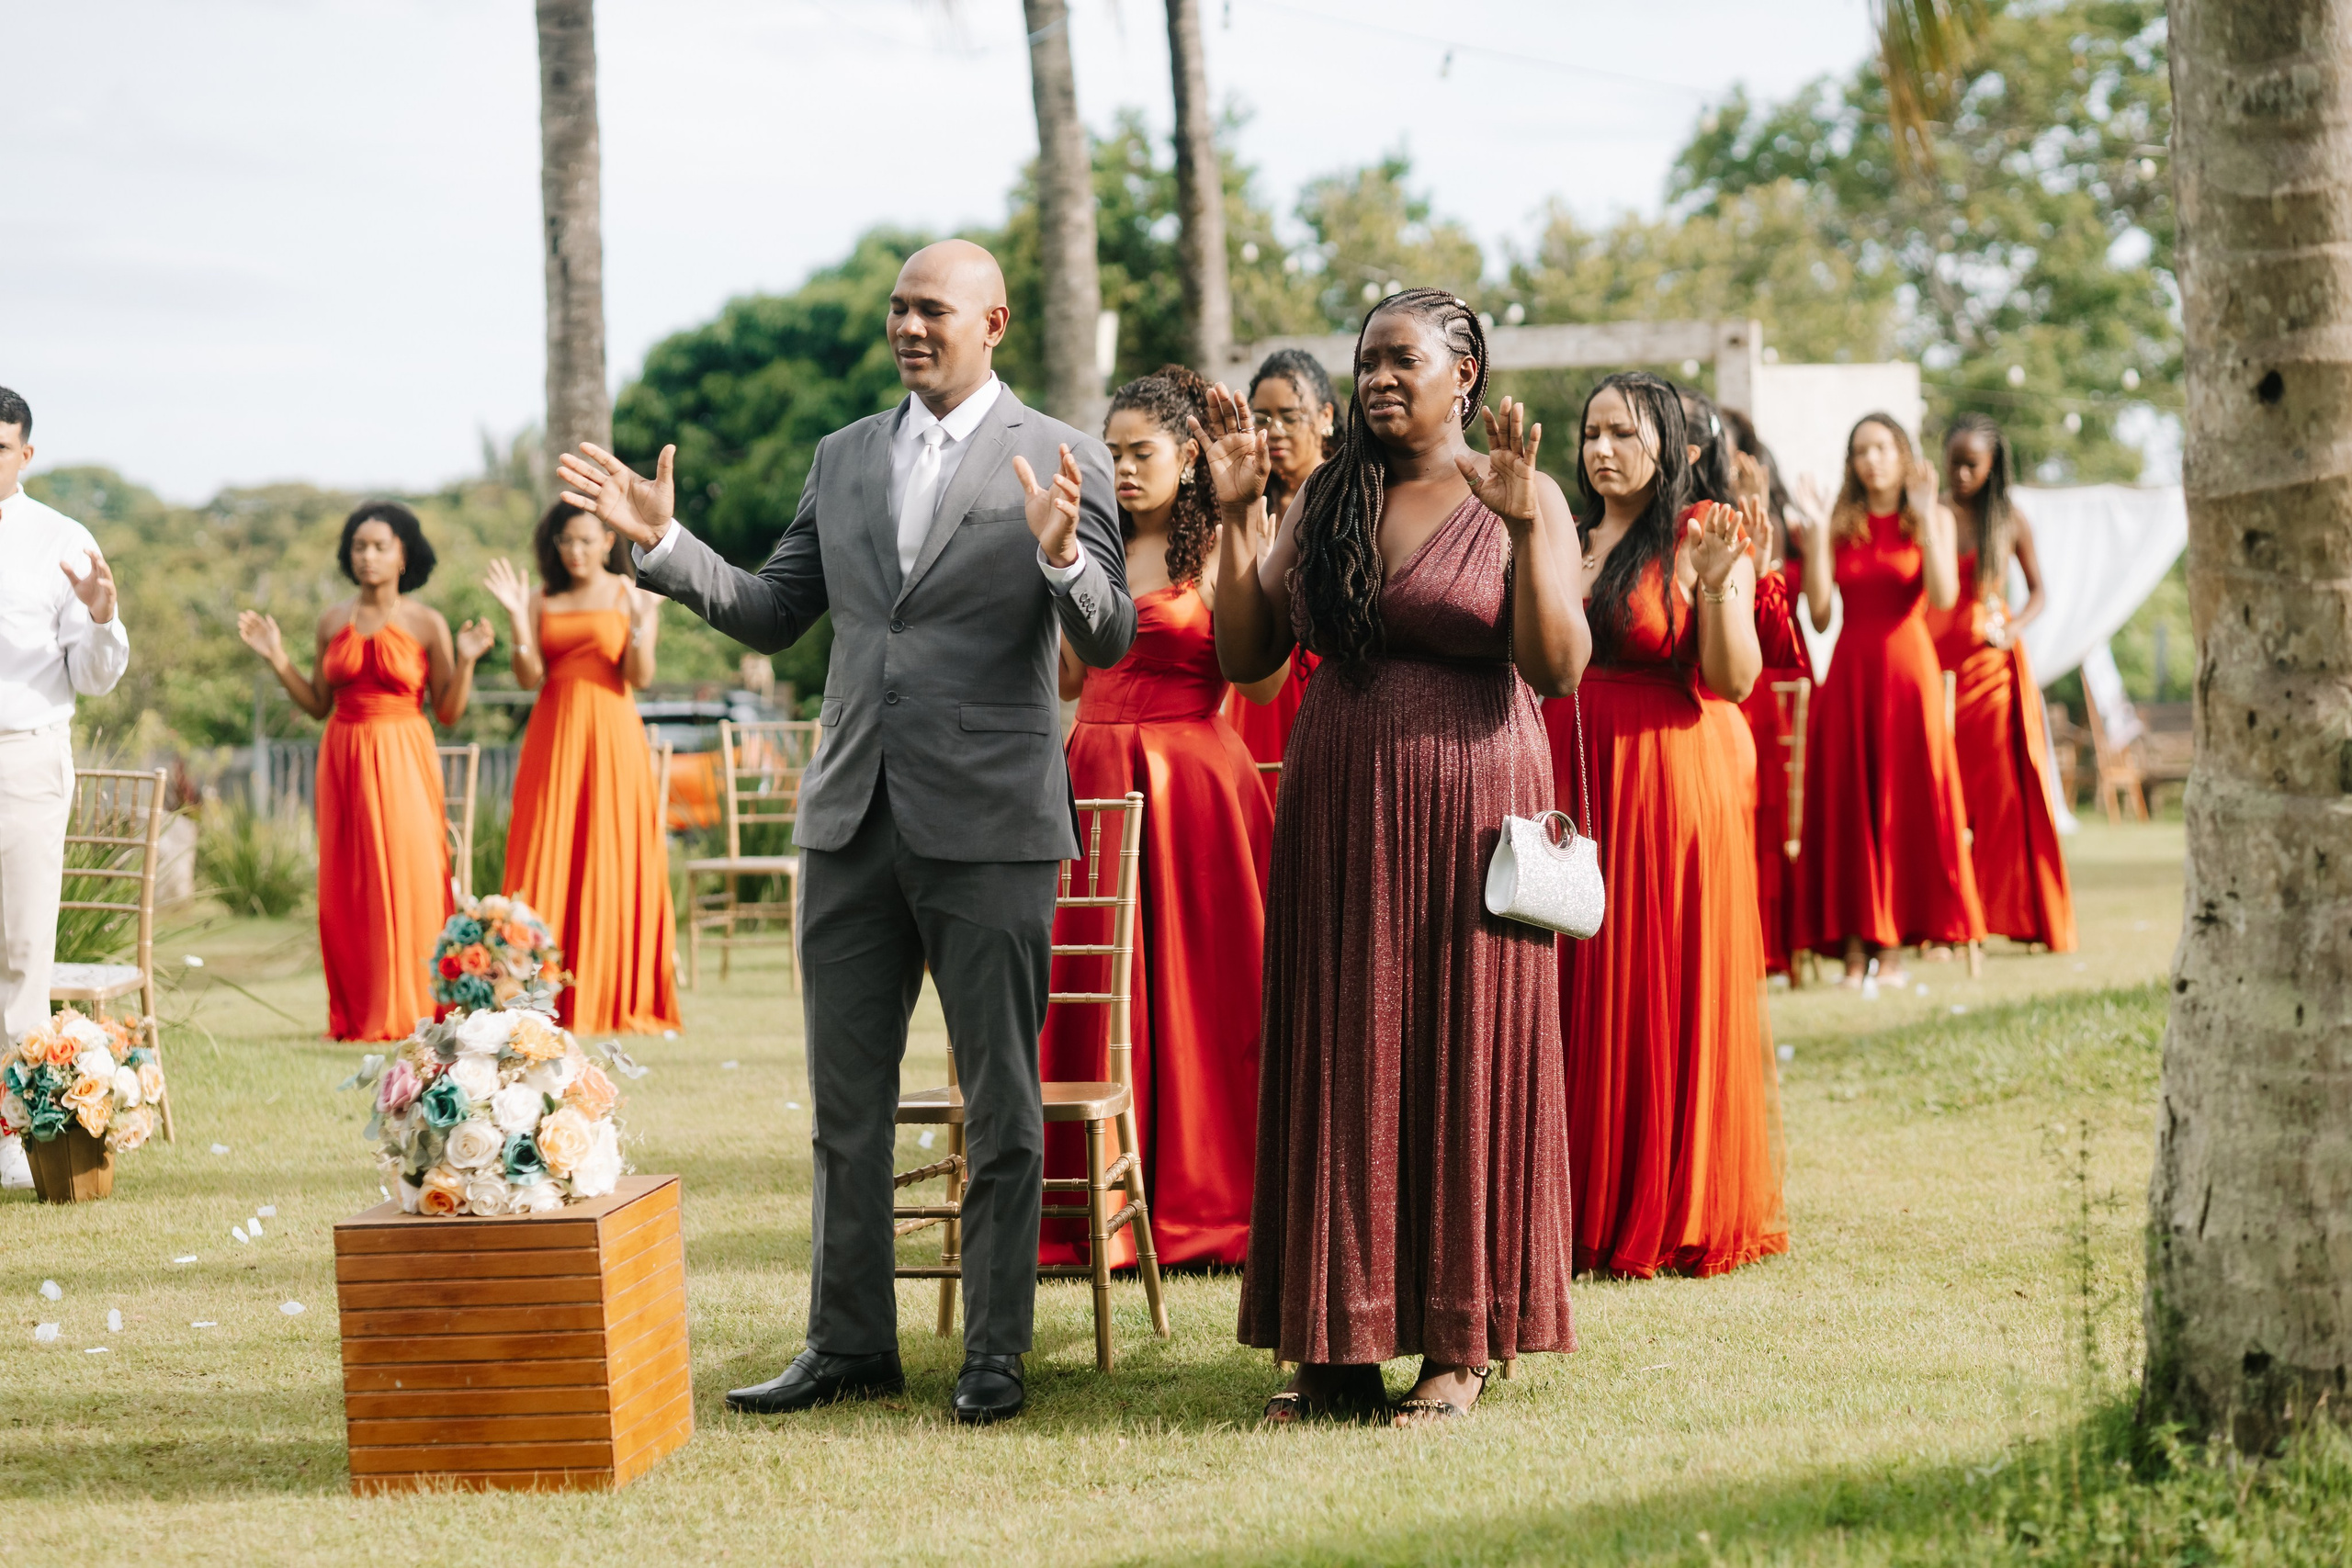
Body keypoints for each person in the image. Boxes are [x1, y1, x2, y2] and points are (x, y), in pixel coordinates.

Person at [555, 239, 1135, 1427]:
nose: (908, 325)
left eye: (932, 308)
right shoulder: (844, 456)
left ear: (995, 320)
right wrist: (664, 546)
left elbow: (1114, 634)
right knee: (845, 1106)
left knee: (1003, 1103)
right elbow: (776, 610)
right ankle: (850, 1341)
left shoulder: (1066, 455)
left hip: (991, 825)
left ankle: (994, 1355)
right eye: (897, 308)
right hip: (850, 816)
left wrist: (1064, 553)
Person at [1200, 288, 1589, 1427]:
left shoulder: (1522, 492)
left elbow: (1557, 667)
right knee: (1344, 1045)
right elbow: (1250, 656)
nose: (1375, 379)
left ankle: (1459, 1344)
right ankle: (1337, 1344)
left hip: (1476, 797)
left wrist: (1522, 531)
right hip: (1341, 795)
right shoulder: (1325, 496)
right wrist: (1237, 519)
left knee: (1464, 1044)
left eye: (1401, 360)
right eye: (1364, 360)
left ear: (1463, 375)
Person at [1551, 373, 1788, 1279]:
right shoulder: (1567, 535)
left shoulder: (1698, 537)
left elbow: (1730, 680)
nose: (1601, 450)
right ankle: (1570, 1200)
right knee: (1576, 988)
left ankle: (1664, 1200)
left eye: (1622, 433)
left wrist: (1724, 588)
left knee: (1652, 983)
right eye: (1591, 433)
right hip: (1571, 772)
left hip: (1664, 774)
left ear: (1671, 448)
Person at [1043, 366, 1280, 1270]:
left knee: (1202, 990)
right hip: (1091, 772)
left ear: (1189, 455)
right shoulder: (1094, 547)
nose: (1124, 470)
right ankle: (1090, 1196)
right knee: (1090, 987)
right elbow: (1069, 681)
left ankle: (1211, 1193)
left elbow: (1256, 679)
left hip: (1194, 784)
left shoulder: (1223, 542)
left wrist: (1248, 521)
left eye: (1140, 452)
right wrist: (1059, 567)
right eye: (1113, 455)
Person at [238, 502, 493, 1041]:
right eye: (359, 546)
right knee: (350, 886)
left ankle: (417, 1007)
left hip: (404, 752)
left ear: (405, 555)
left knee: (409, 874)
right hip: (343, 756)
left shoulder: (427, 623)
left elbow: (447, 711)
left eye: (380, 546)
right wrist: (276, 656)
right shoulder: (332, 621)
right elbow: (315, 704)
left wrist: (467, 659)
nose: (369, 555)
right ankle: (358, 1012)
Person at [1789, 414, 1984, 986]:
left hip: (1909, 676)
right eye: (1859, 451)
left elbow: (1945, 596)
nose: (1870, 459)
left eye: (1880, 448)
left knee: (1903, 804)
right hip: (1850, 673)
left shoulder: (1934, 515)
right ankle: (1853, 948)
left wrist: (1924, 514)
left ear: (1902, 453)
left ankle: (1894, 945)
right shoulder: (1840, 523)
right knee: (1850, 807)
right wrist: (1819, 526)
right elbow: (1820, 615)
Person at [482, 501, 684, 1035]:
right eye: (566, 541)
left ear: (608, 542)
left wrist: (643, 625)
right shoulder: (538, 597)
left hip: (613, 736)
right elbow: (528, 676)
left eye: (586, 540)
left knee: (611, 853)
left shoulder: (630, 592)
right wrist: (515, 618)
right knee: (543, 852)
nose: (576, 551)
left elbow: (639, 675)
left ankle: (611, 989)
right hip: (553, 735)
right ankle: (533, 993)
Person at [0, 387, 130, 1190]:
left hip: (25, 756)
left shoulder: (61, 540)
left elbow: (94, 674)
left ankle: (13, 1134)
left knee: (20, 950)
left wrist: (105, 615)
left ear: (24, 453)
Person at [1928, 413, 2075, 951]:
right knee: (1940, 789)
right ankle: (1942, 920)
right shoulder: (1932, 513)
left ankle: (2005, 914)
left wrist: (2011, 626)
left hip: (1989, 668)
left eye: (1973, 465)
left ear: (1993, 468)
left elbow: (2039, 592)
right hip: (1935, 659)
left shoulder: (2011, 519)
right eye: (1955, 463)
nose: (1962, 474)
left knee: (1997, 796)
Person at [1721, 406, 1826, 976]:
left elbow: (1801, 601)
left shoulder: (1783, 523)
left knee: (1781, 807)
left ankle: (1783, 937)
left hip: (1776, 667)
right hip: (1734, 667)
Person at [1217, 350, 1340, 784]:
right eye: (1264, 418)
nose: (1276, 431)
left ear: (1326, 416)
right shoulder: (1247, 502)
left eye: (1290, 415)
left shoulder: (1353, 498)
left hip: (1327, 688)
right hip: (1260, 686)